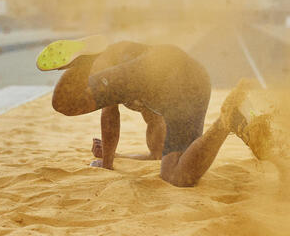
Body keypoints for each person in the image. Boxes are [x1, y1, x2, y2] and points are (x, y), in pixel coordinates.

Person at [36, 37, 252, 187]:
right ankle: (228, 119)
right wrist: (121, 155)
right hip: (193, 77)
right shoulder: (147, 97)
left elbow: (110, 114)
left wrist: (108, 163)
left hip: (153, 69)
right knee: (176, 176)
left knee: (66, 103)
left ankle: (84, 61)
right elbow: (157, 151)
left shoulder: (116, 66)